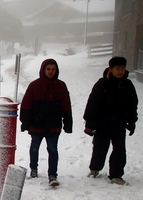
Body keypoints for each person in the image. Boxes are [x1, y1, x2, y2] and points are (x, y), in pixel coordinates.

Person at [83, 56, 138, 185]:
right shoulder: (102, 84)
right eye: (117, 69)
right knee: (100, 147)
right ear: (111, 69)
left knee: (119, 149)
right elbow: (92, 104)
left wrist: (132, 121)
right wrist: (90, 123)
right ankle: (95, 168)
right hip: (102, 123)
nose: (120, 72)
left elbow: (132, 105)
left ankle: (116, 174)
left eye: (122, 69)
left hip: (119, 124)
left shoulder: (128, 85)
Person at [19, 58, 73, 186]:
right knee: (34, 148)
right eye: (48, 69)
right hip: (36, 124)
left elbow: (66, 106)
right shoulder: (34, 85)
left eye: (53, 69)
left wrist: (68, 123)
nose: (50, 72)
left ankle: (53, 175)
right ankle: (33, 169)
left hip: (54, 124)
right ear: (43, 70)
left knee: (53, 149)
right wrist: (25, 122)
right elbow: (26, 105)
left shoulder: (61, 86)